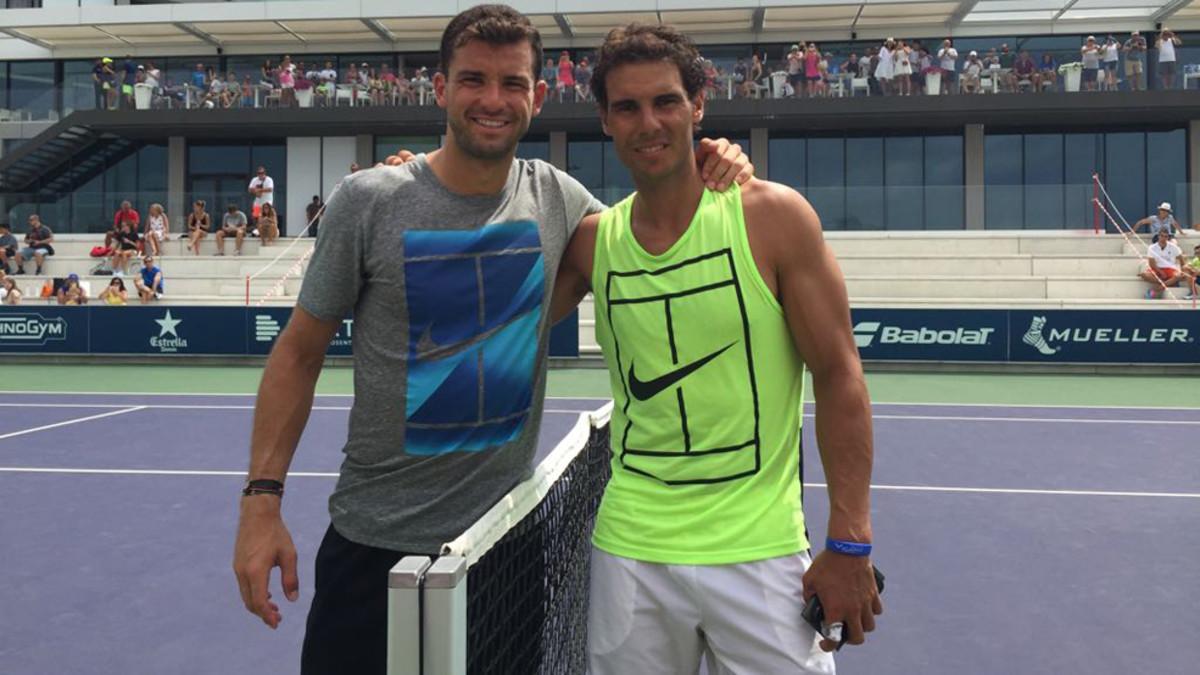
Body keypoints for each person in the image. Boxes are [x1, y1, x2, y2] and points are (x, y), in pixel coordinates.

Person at [230, 6, 752, 674]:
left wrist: (719, 155)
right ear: (441, 89)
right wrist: (260, 504)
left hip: (500, 547)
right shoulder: (368, 200)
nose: (492, 100)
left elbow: (657, 222)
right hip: (372, 550)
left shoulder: (560, 199)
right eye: (473, 80)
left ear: (537, 97)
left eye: (512, 84)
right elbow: (297, 354)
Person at [553, 23, 879, 673]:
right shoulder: (592, 243)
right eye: (628, 106)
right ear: (605, 121)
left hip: (760, 554)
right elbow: (497, 319)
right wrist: (416, 174)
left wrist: (849, 541)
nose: (649, 122)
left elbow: (840, 375)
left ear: (698, 106)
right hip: (631, 553)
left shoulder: (774, 217)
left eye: (666, 101)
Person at [1140, 230, 1184, 298]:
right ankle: (1170, 283)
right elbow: (1151, 264)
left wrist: (1182, 271)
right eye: (1162, 236)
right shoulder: (1152, 247)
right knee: (1144, 275)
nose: (1163, 238)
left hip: (1170, 268)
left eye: (1165, 236)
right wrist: (1160, 271)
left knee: (1178, 276)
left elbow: (1181, 260)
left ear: (1168, 238)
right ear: (1158, 236)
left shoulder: (1173, 247)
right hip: (1157, 268)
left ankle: (1154, 290)